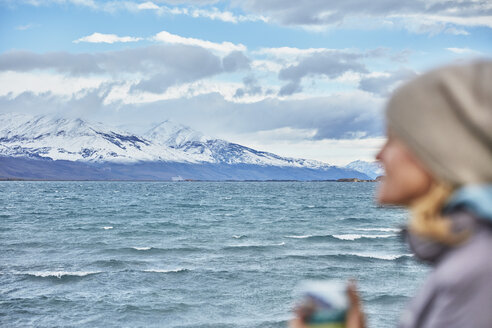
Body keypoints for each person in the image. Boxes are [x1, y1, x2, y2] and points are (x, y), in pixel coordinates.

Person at [291, 60, 492, 328]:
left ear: (438, 148)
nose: (379, 155)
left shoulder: (476, 272)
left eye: (393, 138)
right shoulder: (467, 258)